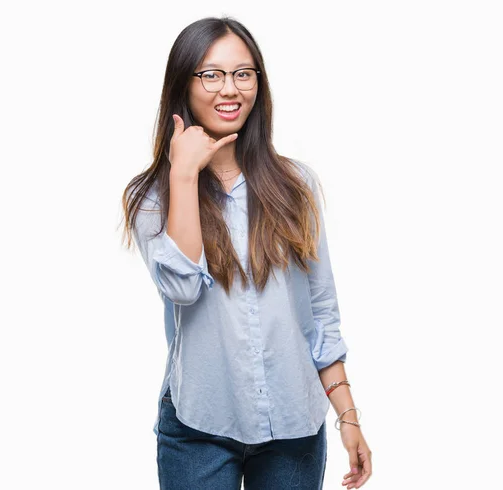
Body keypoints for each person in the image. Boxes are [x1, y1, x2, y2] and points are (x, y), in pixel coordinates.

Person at [121, 16, 372, 490]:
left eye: (243, 72)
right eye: (210, 74)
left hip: (294, 426)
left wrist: (349, 416)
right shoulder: (152, 196)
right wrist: (183, 175)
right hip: (199, 429)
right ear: (183, 84)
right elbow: (182, 287)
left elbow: (319, 312)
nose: (229, 88)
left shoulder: (296, 186)